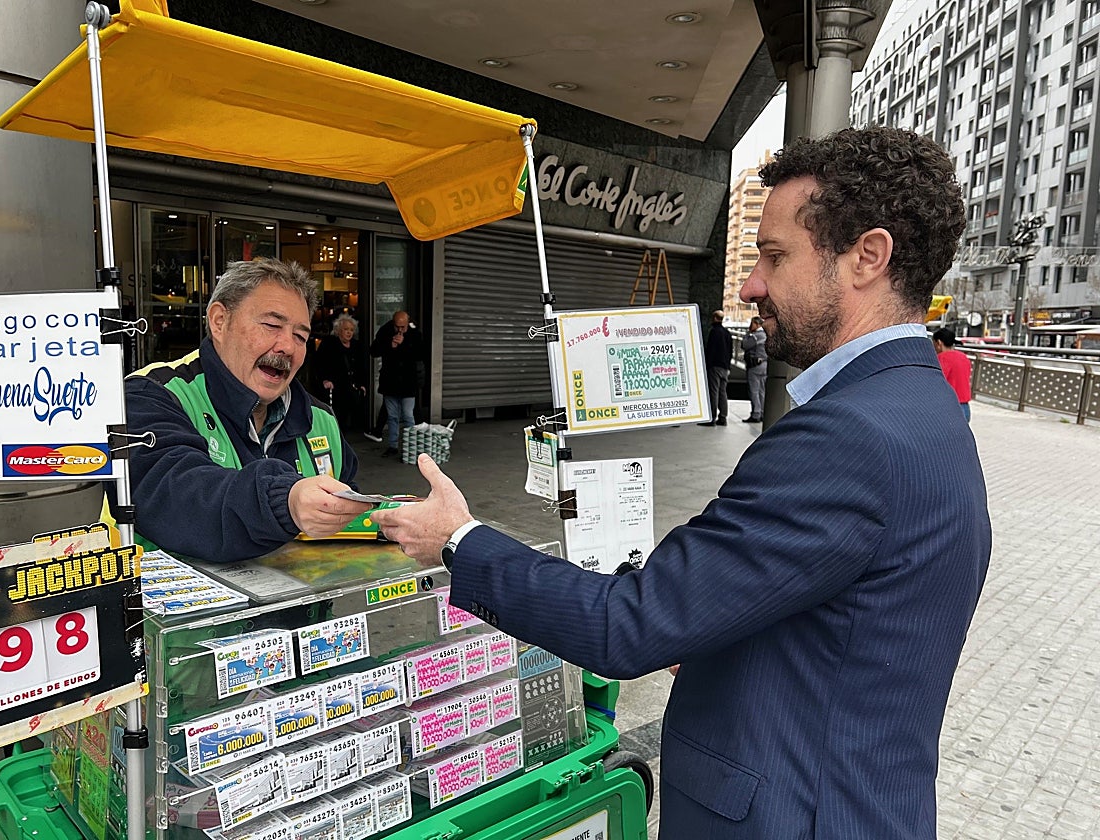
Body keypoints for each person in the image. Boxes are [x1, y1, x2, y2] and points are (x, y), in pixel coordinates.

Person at [372, 126, 991, 839]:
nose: (751, 283)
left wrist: (458, 539)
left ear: (867, 258)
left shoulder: (846, 437)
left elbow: (623, 625)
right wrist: (702, 633)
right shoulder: (926, 411)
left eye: (774, 255)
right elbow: (842, 633)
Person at [123, 259, 371, 562]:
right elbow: (176, 497)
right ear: (219, 321)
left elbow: (349, 521)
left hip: (305, 609)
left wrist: (395, 518)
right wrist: (286, 502)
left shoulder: (321, 420)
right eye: (272, 325)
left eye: (300, 336)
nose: (288, 348)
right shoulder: (151, 395)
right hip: (169, 606)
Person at [370, 310, 425, 456]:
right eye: (397, 327)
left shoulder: (415, 333)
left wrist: (404, 344)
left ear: (407, 323)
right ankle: (393, 445)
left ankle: (411, 446)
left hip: (408, 382)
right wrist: (390, 345)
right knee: (392, 416)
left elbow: (420, 354)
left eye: (403, 327)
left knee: (408, 415)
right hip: (390, 381)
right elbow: (373, 350)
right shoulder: (386, 331)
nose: (400, 330)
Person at [314, 313, 369, 432]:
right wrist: (325, 379)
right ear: (338, 330)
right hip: (335, 387)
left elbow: (361, 366)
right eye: (346, 329)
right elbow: (319, 363)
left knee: (348, 417)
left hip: (350, 387)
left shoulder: (356, 345)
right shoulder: (329, 343)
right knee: (335, 418)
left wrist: (362, 384)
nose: (349, 332)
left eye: (351, 330)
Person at [932, 327, 973, 422]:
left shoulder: (940, 359)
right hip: (965, 407)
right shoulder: (964, 357)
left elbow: (937, 384)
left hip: (949, 407)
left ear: (939, 343)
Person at [701, 309, 732, 425]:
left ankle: (711, 417)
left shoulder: (714, 332)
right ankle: (723, 417)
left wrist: (707, 364)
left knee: (713, 391)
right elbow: (730, 351)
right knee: (723, 392)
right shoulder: (727, 333)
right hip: (725, 367)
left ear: (714, 318)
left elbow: (711, 350)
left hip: (715, 366)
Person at [741, 315, 768, 422]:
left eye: (751, 323)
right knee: (762, 390)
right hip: (764, 365)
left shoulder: (755, 336)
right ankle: (762, 412)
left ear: (757, 324)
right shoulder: (766, 334)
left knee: (754, 390)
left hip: (754, 366)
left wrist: (748, 334)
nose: (750, 326)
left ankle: (756, 414)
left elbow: (744, 345)